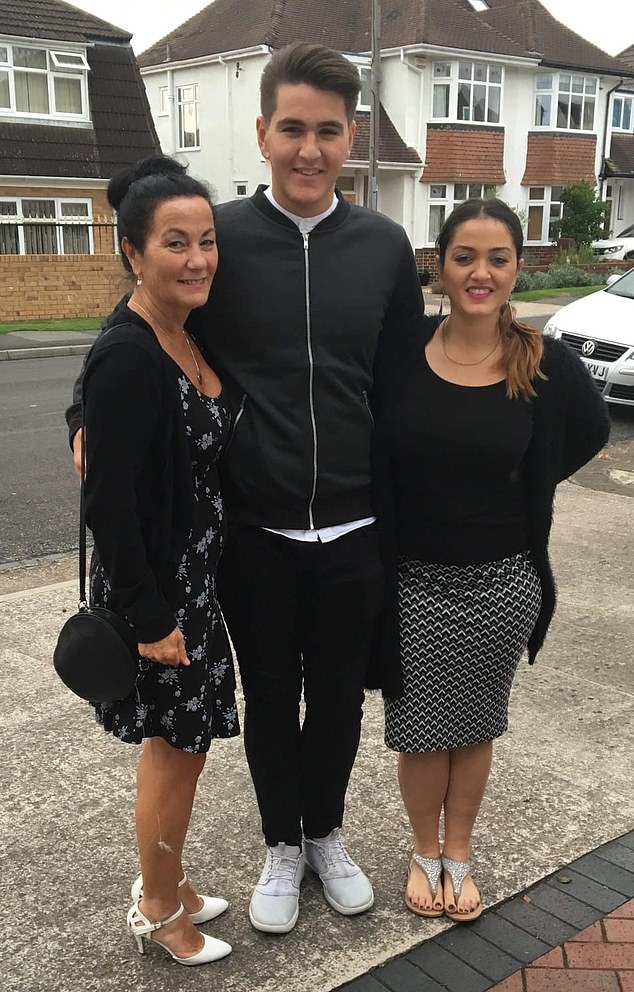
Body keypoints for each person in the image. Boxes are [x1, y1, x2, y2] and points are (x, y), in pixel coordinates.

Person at [68, 41, 423, 934]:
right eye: (293, 128)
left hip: (355, 526)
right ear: (263, 132)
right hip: (252, 532)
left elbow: (404, 383)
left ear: (352, 139)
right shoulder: (216, 238)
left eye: (329, 132)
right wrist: (81, 413)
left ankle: (326, 835)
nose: (310, 149)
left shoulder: (383, 247)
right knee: (270, 698)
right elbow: (135, 325)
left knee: (339, 698)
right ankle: (279, 845)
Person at [368, 198, 610, 923]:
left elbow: (592, 431)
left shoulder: (543, 360)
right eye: (464, 257)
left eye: (497, 258)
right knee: (418, 730)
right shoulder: (400, 349)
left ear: (515, 268)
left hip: (503, 585)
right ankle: (422, 850)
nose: (481, 272)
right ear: (438, 267)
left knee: (474, 726)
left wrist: (526, 484)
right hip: (411, 582)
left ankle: (459, 854)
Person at [79, 154, 238, 965]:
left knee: (188, 750)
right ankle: (156, 909)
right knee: (174, 756)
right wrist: (150, 620)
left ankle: (167, 885)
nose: (198, 258)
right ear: (133, 253)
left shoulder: (182, 330)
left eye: (207, 240)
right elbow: (108, 505)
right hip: (162, 601)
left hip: (197, 590)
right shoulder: (130, 354)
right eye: (175, 243)